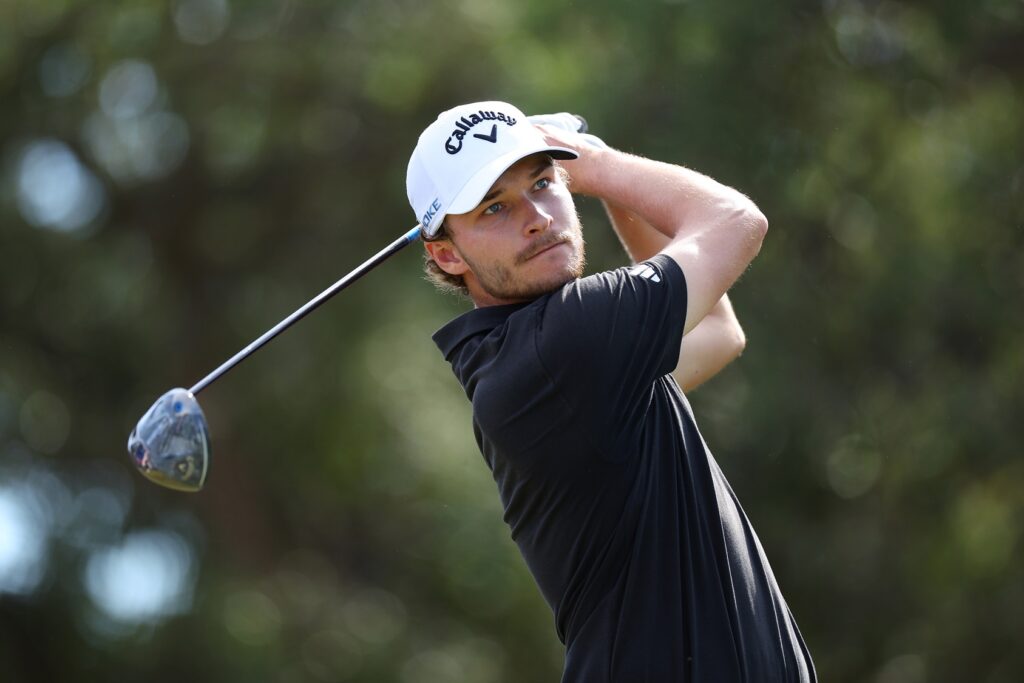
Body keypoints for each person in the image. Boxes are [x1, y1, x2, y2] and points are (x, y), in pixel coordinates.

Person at [406, 101, 816, 682]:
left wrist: (609, 187)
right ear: (447, 253)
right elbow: (735, 220)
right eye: (495, 207)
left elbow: (719, 334)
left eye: (544, 183)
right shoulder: (564, 342)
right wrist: (597, 164)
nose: (538, 218)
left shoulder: (538, 359)